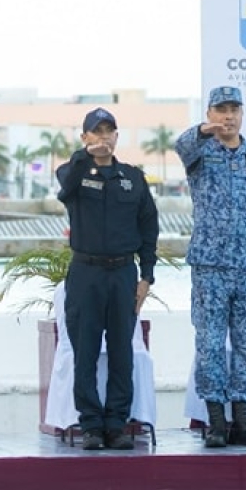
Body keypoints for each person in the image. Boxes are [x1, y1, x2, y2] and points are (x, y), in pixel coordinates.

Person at [176, 86, 246, 448]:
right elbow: (180, 145)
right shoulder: (200, 153)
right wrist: (203, 131)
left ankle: (243, 419)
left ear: (243, 113)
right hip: (210, 266)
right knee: (210, 343)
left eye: (234, 109)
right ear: (210, 113)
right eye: (221, 109)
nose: (228, 116)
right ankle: (215, 421)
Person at [56, 107, 160, 451]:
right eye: (96, 132)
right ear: (84, 137)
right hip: (86, 273)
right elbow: (65, 184)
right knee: (84, 351)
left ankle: (116, 424)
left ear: (117, 136)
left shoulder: (132, 177)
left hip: (123, 273)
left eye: (109, 132)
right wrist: (85, 157)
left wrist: (147, 276)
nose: (104, 138)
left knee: (121, 352)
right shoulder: (73, 172)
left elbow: (148, 227)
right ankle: (90, 425)